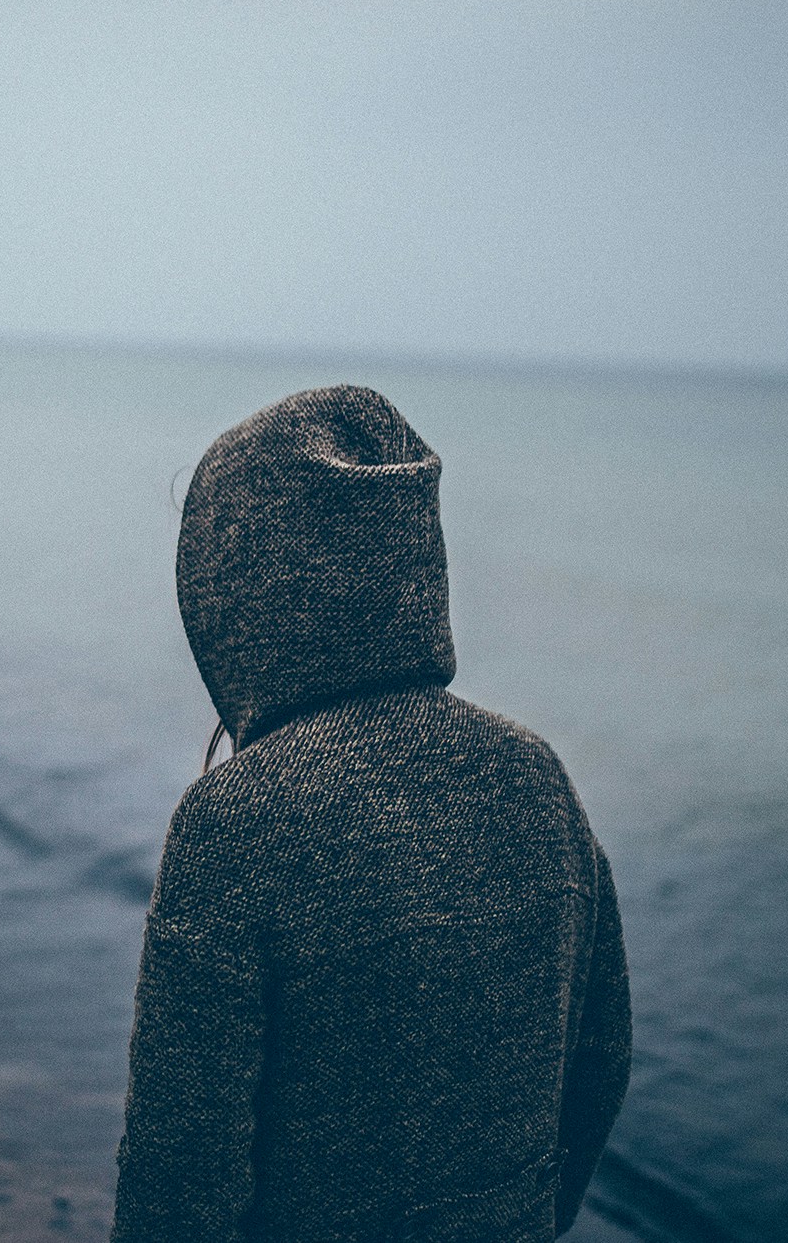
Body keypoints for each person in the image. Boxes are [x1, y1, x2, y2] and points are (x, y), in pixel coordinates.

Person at [111, 385, 630, 1243]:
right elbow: (601, 1063)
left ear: (236, 590)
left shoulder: (238, 822)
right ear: (412, 558)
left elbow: (180, 1177)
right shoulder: (536, 777)